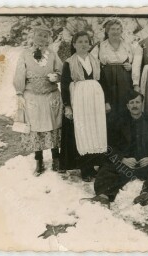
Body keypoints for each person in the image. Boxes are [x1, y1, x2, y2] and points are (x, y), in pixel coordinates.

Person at [86, 90, 148, 207]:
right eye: (131, 103)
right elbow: (109, 146)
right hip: (125, 165)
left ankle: (147, 195)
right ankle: (103, 196)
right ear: (127, 106)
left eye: (137, 102)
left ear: (142, 104)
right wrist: (122, 159)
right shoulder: (118, 122)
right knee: (106, 169)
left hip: (146, 164)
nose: (135, 105)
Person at [13, 24, 63, 177]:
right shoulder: (25, 54)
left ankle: (56, 158)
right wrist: (19, 93)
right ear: (33, 36)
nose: (42, 38)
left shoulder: (53, 54)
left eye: (45, 36)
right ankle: (39, 160)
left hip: (50, 95)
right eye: (39, 35)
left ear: (49, 39)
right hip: (32, 97)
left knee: (53, 125)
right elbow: (19, 74)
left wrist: (56, 76)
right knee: (35, 128)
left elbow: (61, 71)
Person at [59, 31, 109, 182]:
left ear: (89, 44)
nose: (83, 44)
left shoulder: (96, 61)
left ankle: (96, 164)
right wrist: (67, 106)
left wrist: (106, 102)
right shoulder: (69, 63)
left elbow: (103, 82)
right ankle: (85, 168)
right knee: (83, 132)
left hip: (95, 100)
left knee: (95, 130)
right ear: (74, 44)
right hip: (79, 100)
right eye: (79, 42)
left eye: (86, 42)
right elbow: (65, 85)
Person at [96, 19, 135, 119]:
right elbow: (93, 62)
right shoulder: (100, 46)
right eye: (112, 29)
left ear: (121, 31)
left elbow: (137, 62)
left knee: (124, 104)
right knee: (110, 105)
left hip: (124, 77)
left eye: (118, 29)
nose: (115, 31)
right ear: (107, 31)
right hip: (107, 77)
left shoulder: (128, 45)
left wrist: (131, 66)